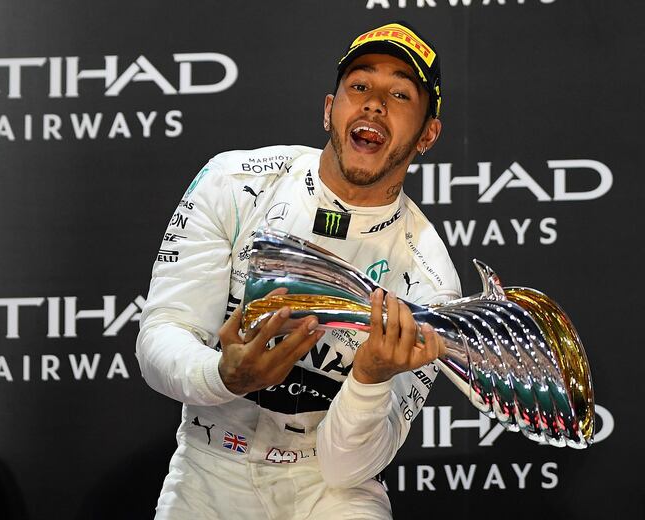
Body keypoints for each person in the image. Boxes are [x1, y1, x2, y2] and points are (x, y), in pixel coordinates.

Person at [136, 21, 462, 519]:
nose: (374, 103)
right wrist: (222, 374)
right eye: (359, 85)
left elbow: (346, 467)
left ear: (427, 135)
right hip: (208, 469)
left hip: (329, 493)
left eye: (400, 94)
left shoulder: (430, 281)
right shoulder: (234, 183)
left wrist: (372, 379)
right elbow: (162, 335)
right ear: (330, 109)